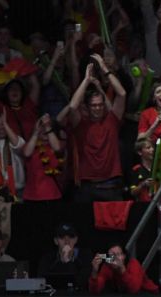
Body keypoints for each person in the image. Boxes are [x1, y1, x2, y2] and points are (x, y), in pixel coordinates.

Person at [57, 57, 127, 202]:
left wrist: (103, 68)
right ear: (88, 108)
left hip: (111, 185)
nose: (98, 108)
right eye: (94, 105)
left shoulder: (112, 120)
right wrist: (86, 80)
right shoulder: (80, 123)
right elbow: (72, 107)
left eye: (100, 105)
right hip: (86, 186)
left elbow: (122, 94)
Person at [36, 223, 92, 291]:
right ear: (56, 241)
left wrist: (68, 261)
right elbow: (42, 282)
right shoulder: (47, 259)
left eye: (71, 237)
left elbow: (82, 282)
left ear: (76, 240)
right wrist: (62, 261)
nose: (67, 241)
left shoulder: (85, 256)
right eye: (62, 237)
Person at [88, 243, 159, 294]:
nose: (115, 258)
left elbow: (134, 289)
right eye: (112, 255)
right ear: (107, 258)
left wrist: (122, 269)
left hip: (149, 296)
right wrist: (94, 271)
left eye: (118, 254)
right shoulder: (107, 267)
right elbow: (95, 291)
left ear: (124, 256)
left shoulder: (133, 264)